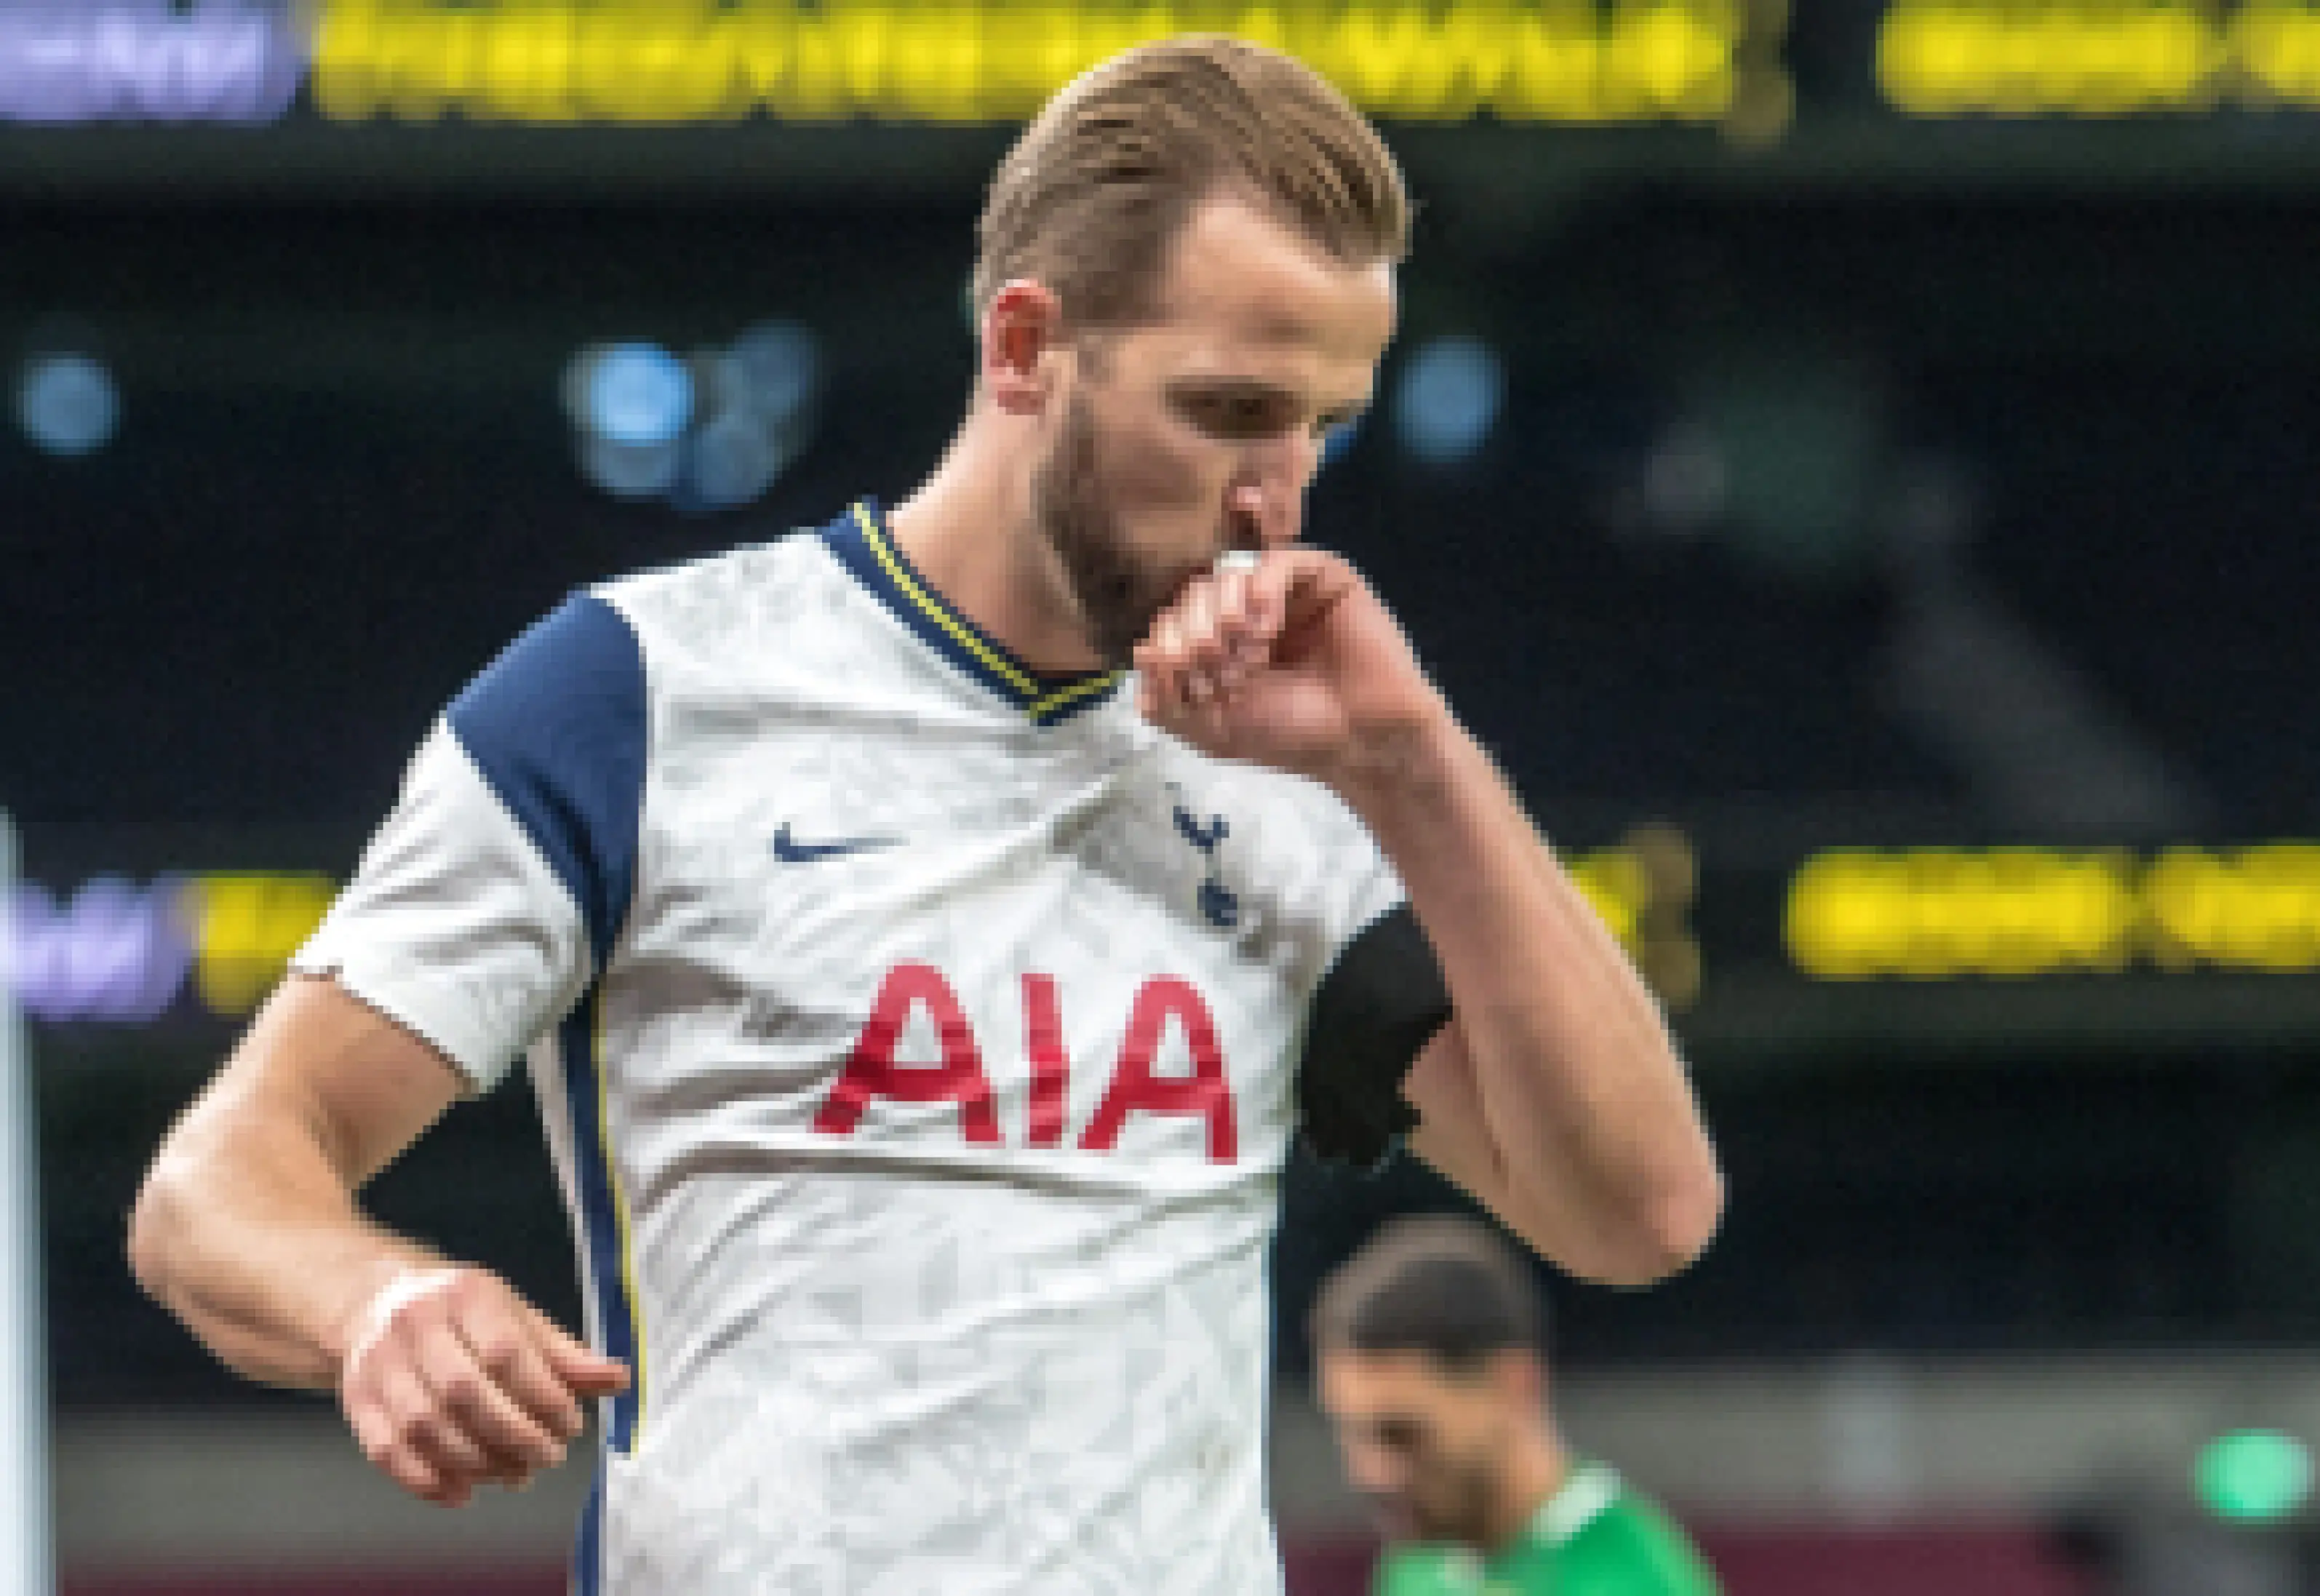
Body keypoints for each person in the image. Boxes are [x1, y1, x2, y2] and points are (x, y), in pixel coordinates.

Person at [125, 33, 1721, 1596]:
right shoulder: (636, 694)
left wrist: (1414, 759)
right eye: (1230, 408)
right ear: (1026, 347)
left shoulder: (1298, 776)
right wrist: (378, 1301)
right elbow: (220, 1184)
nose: (1279, 497)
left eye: (1326, 425)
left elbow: (1638, 1211)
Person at [1312, 1214, 1721, 1595]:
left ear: (1514, 1387)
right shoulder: (1418, 1564)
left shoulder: (1631, 1581)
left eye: (1402, 1434)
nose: (1373, 1474)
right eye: (1352, 1433)